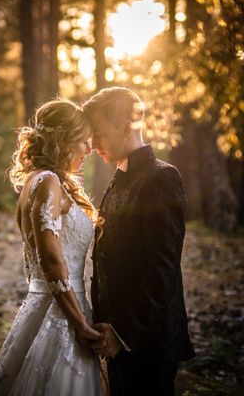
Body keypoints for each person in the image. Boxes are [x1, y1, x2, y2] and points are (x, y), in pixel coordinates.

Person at [0, 98, 103, 396]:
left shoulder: (39, 181)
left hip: (48, 303)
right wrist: (81, 325)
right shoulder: (48, 182)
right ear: (65, 139)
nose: (88, 148)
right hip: (59, 310)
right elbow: (51, 262)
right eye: (83, 140)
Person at [82, 87, 195, 396]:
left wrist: (122, 333)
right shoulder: (119, 177)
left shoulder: (162, 177)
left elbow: (163, 270)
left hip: (148, 342)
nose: (92, 145)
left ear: (125, 127)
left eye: (98, 134)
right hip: (116, 338)